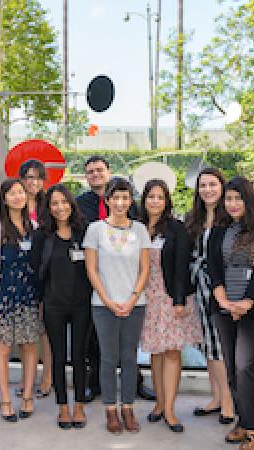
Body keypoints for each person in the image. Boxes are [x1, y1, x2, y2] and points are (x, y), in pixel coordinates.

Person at [75, 155, 154, 403]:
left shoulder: (134, 215)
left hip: (129, 288)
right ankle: (97, 385)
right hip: (97, 285)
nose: (96, 175)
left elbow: (143, 261)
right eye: (90, 172)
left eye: (100, 170)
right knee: (97, 344)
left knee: (128, 350)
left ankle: (134, 388)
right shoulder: (81, 204)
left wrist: (132, 297)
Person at [209, 177, 254, 450]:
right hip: (224, 308)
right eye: (228, 199)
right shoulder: (219, 229)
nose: (233, 204)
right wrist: (223, 299)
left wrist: (247, 301)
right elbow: (213, 268)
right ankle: (243, 420)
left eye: (238, 198)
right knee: (231, 370)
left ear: (249, 200)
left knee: (246, 367)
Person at [138, 179, 202, 433]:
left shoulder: (176, 229)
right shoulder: (137, 227)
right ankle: (159, 404)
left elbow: (181, 267)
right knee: (155, 351)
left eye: (160, 197)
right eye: (151, 196)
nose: (155, 201)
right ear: (144, 200)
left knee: (172, 352)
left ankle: (171, 410)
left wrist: (178, 301)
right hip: (146, 297)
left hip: (170, 296)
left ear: (167, 202)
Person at [30, 184, 91, 429]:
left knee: (79, 356)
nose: (60, 207)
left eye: (64, 202)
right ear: (48, 207)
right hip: (54, 304)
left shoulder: (84, 232)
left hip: (82, 305)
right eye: (54, 203)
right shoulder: (42, 235)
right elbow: (35, 269)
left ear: (71, 204)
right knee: (56, 356)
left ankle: (79, 406)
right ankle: (63, 407)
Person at [0, 179, 44, 422]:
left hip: (29, 297)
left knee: (30, 347)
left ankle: (28, 395)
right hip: (5, 298)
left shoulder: (35, 226)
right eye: (12, 193)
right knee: (4, 348)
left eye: (21, 192)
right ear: (4, 198)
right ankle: (6, 399)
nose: (18, 196)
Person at [184, 168, 235, 424]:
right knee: (207, 345)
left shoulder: (229, 218)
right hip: (198, 289)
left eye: (212, 184)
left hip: (220, 289)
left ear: (222, 186)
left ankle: (227, 400)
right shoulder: (193, 218)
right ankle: (215, 396)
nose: (207, 190)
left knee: (219, 346)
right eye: (202, 186)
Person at [18, 159, 53, 399]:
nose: (33, 182)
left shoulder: (49, 207)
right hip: (19, 276)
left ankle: (47, 376)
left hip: (45, 275)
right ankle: (26, 377)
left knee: (45, 330)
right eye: (28, 177)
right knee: (24, 330)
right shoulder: (15, 205)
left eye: (38, 177)